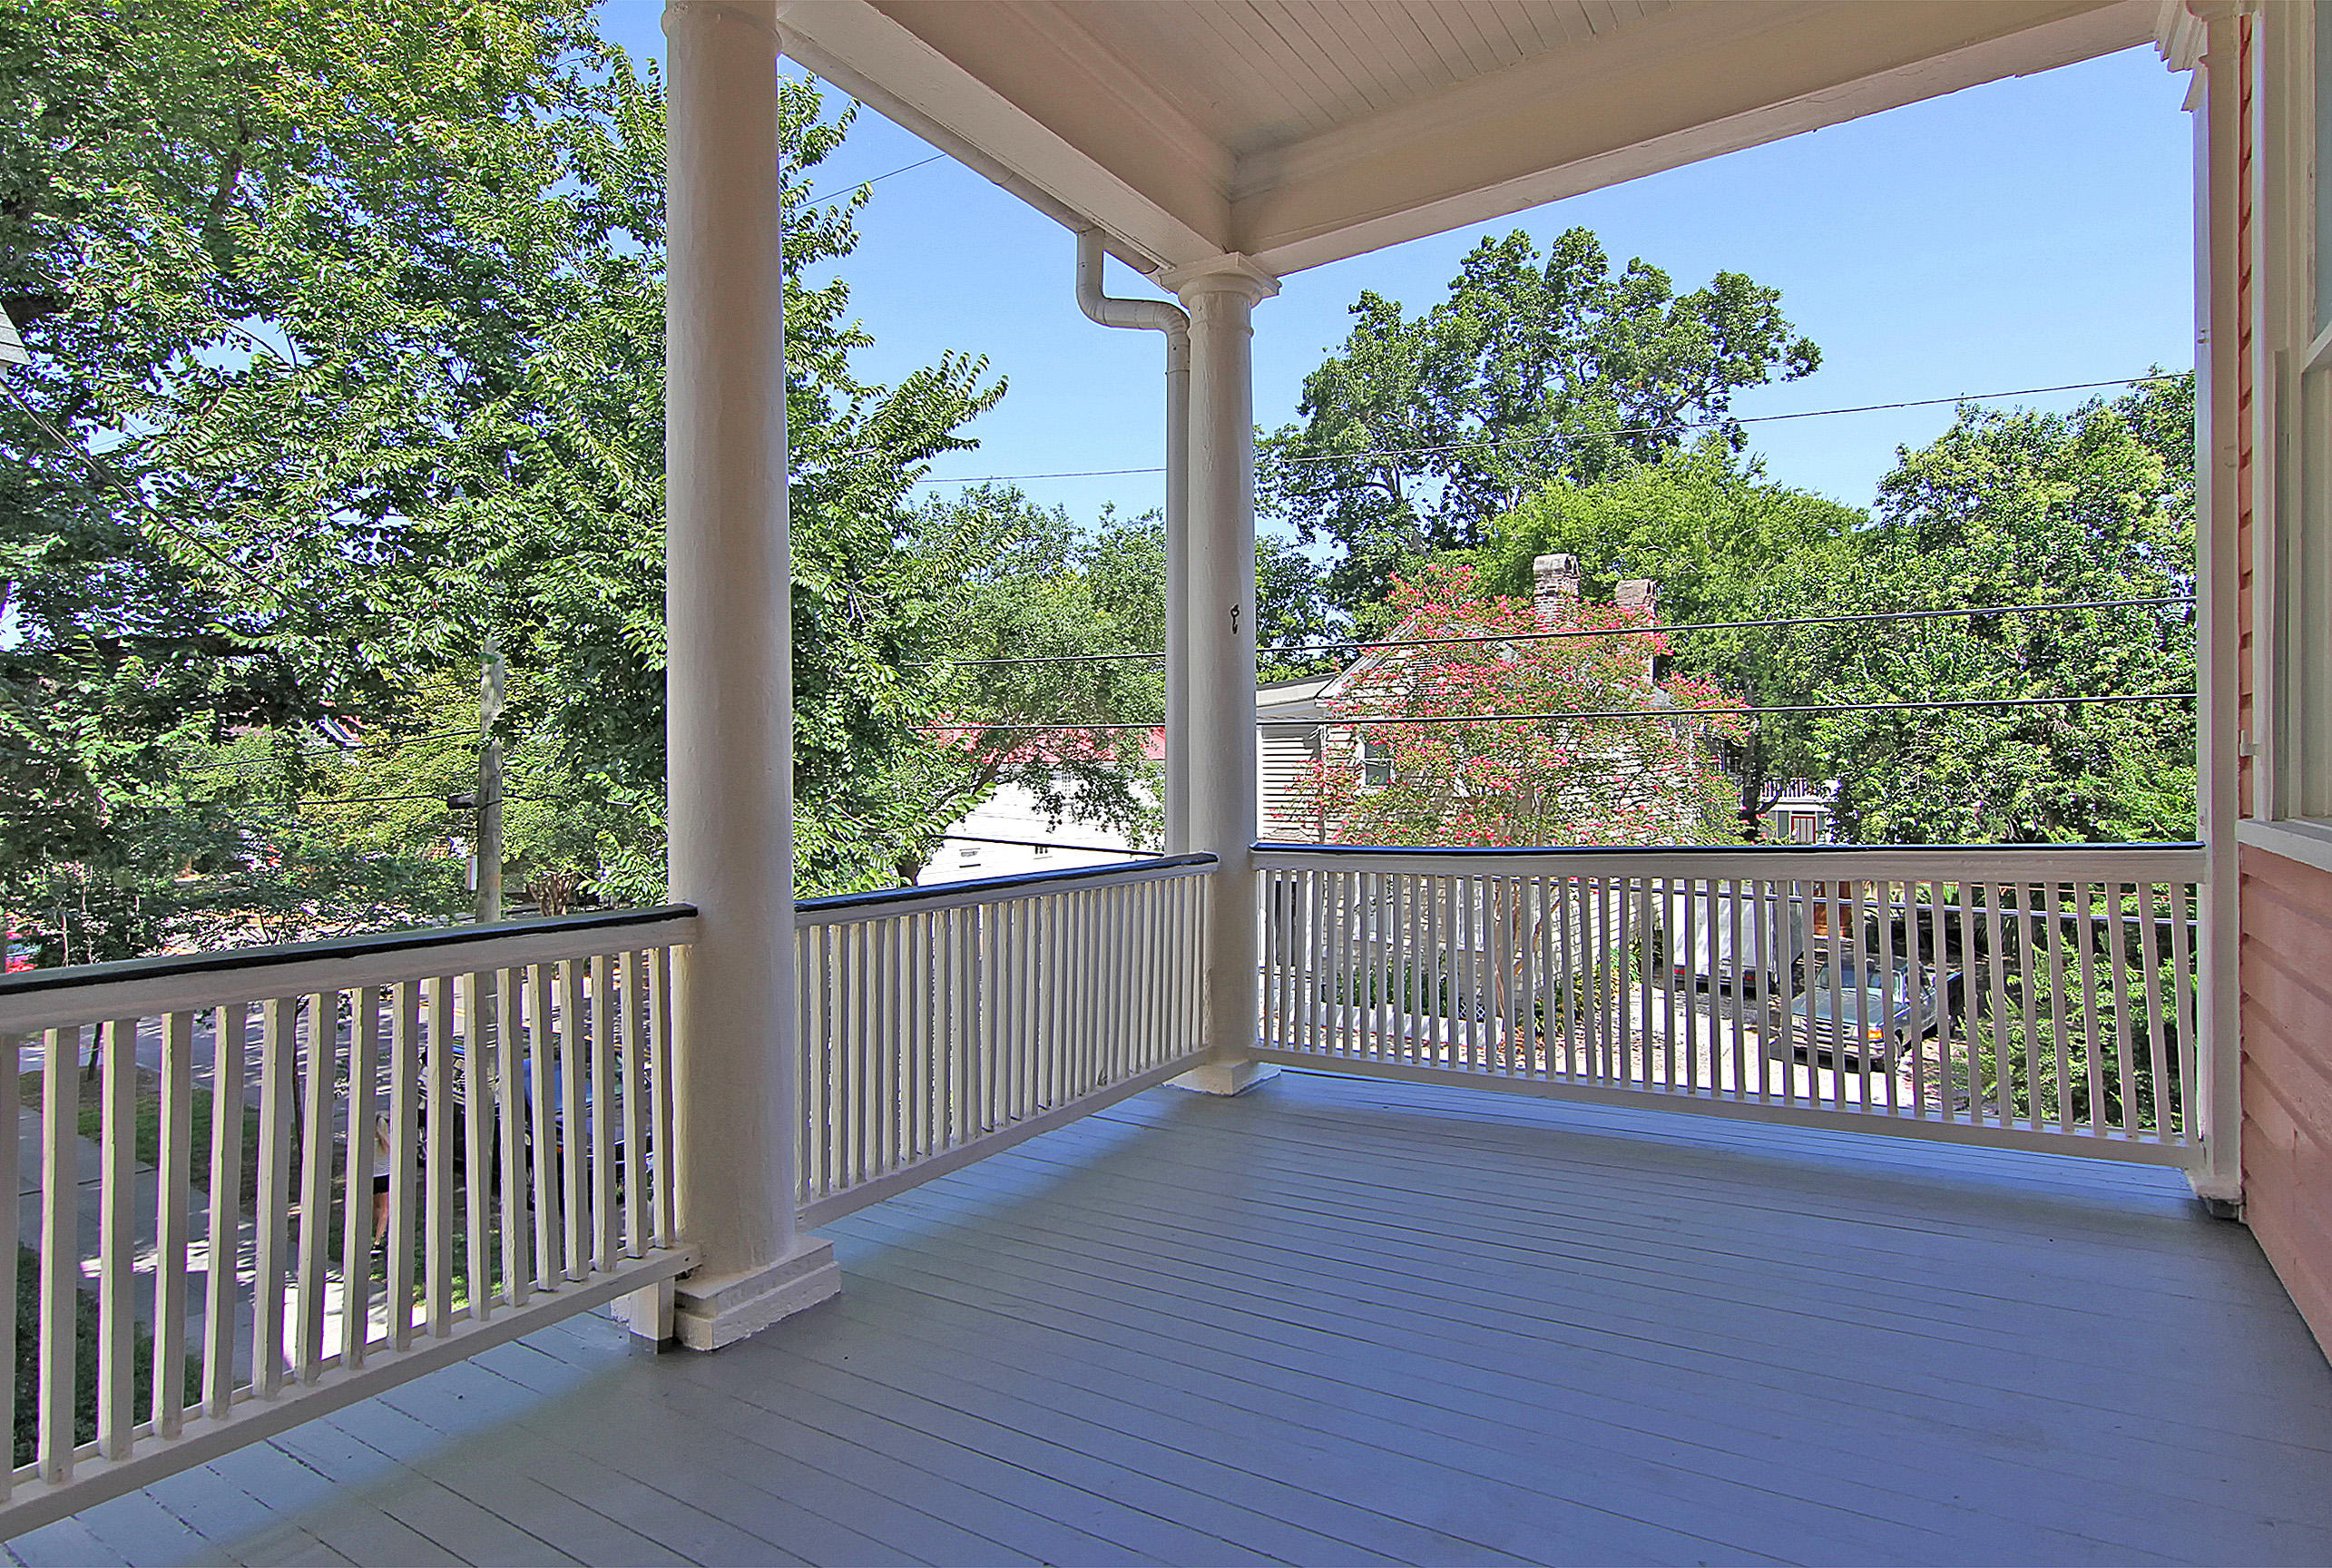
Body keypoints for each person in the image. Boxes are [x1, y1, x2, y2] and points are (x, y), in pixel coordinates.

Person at [372, 1113, 394, 1242]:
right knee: (385, 1209)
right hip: (385, 1177)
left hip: (373, 1177)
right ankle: (378, 1239)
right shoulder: (387, 1141)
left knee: (376, 1207)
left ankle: (378, 1228)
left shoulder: (370, 1143)